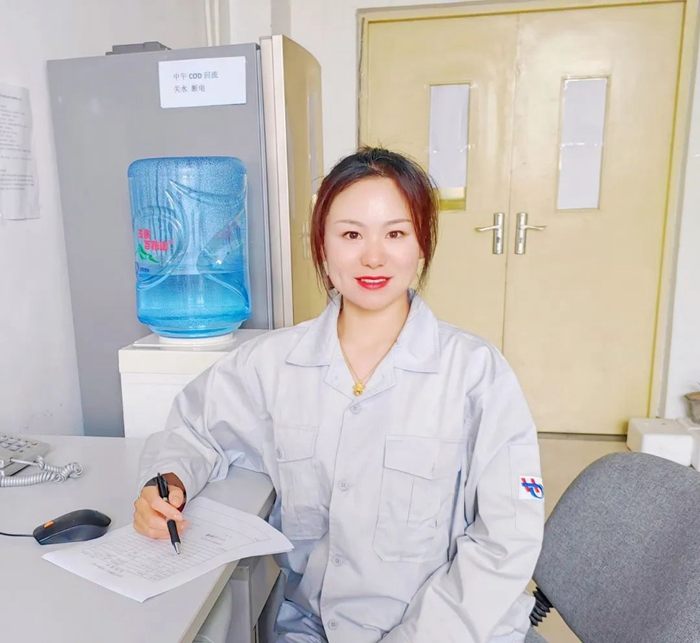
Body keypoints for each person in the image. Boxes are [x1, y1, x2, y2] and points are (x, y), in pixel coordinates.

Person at [133, 147, 544, 643]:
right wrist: (168, 482)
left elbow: (507, 540)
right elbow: (193, 428)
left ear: (422, 246)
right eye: (351, 234)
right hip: (313, 628)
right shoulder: (272, 363)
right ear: (323, 248)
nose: (373, 256)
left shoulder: (476, 372)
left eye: (396, 233)